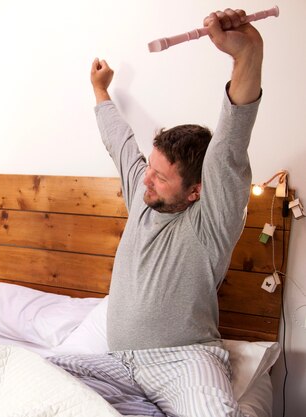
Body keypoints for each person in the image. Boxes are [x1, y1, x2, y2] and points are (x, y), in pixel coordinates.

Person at [90, 8, 263, 417]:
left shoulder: (211, 222)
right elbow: (118, 141)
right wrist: (100, 90)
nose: (145, 179)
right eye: (149, 167)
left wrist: (247, 56)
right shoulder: (142, 194)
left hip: (182, 362)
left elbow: (229, 145)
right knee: (39, 375)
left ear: (195, 191)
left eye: (161, 177)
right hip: (117, 363)